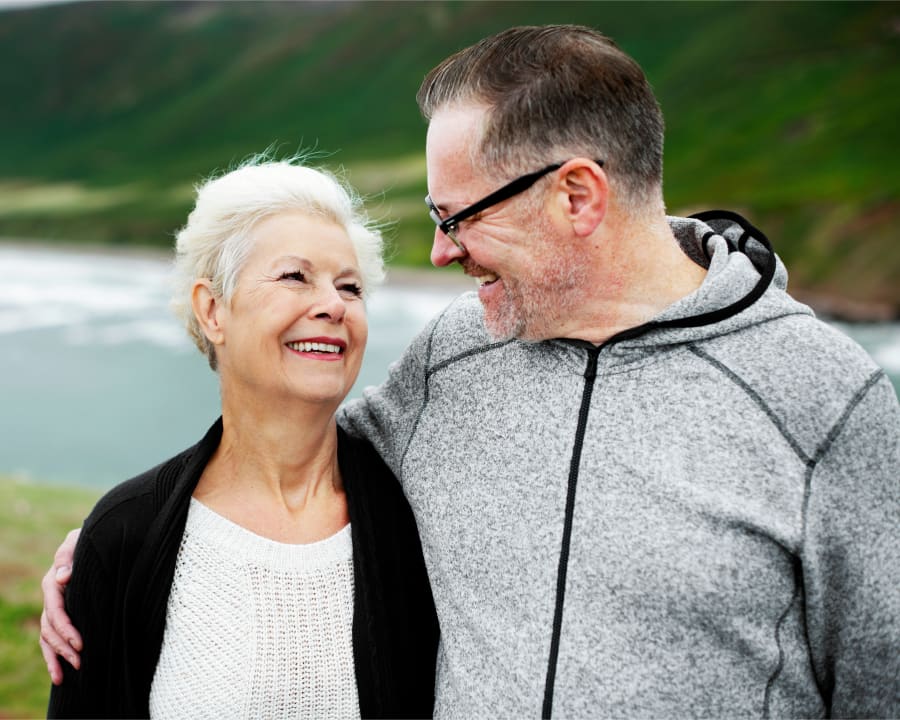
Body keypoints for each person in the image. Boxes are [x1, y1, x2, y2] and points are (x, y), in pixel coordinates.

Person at [42, 25, 898, 719]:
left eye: (457, 217)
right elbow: (295, 449)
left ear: (576, 197)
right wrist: (124, 543)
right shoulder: (456, 354)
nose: (440, 250)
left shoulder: (825, 405)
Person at [44, 156, 438, 718]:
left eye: (350, 287)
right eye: (295, 276)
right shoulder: (124, 536)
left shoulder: (415, 516)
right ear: (212, 310)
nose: (333, 305)